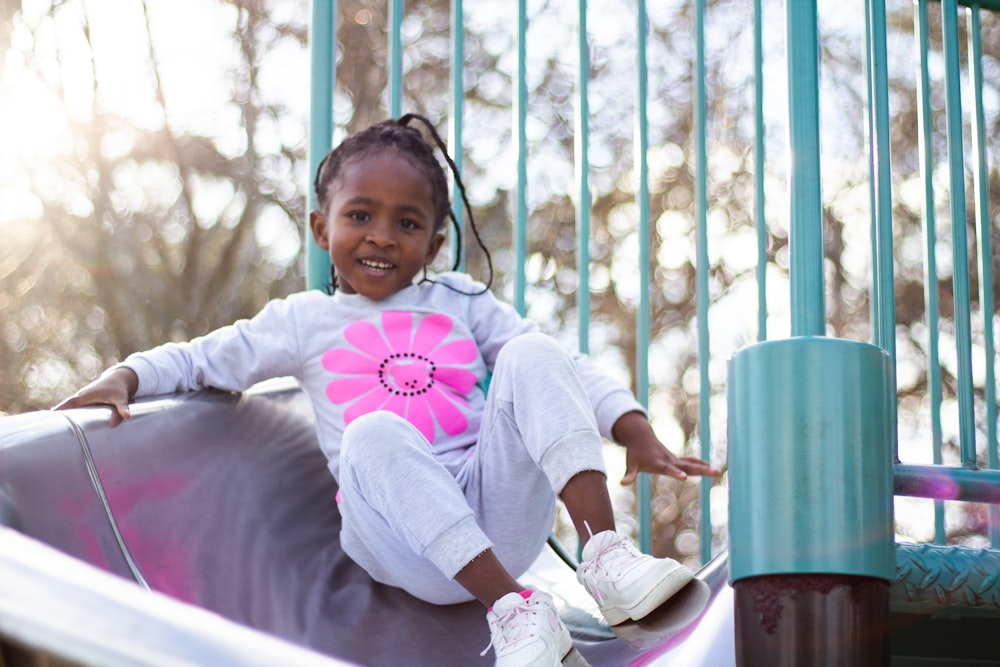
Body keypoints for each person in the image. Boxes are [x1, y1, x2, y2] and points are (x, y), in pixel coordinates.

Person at [55, 114, 719, 667]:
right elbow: (206, 357)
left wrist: (630, 424)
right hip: (404, 542)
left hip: (497, 513)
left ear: (432, 244)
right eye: (361, 214)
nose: (380, 235)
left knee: (533, 350)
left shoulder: (459, 299)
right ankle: (514, 609)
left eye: (406, 224)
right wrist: (128, 374)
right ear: (322, 228)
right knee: (372, 429)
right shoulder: (304, 320)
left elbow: (563, 367)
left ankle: (604, 556)